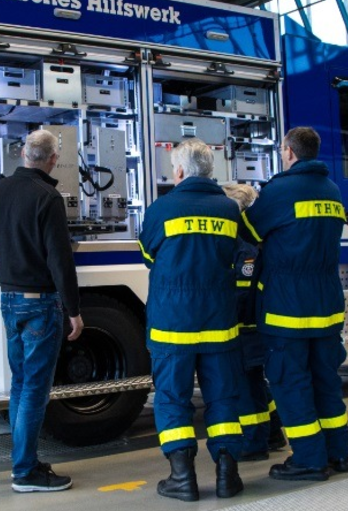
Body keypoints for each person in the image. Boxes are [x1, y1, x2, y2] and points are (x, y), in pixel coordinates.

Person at [138, 138, 244, 502]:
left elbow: (149, 257)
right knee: (223, 395)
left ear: (179, 171)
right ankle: (228, 475)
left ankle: (182, 478)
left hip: (172, 323)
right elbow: (239, 256)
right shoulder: (231, 210)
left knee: (172, 397)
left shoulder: (160, 209)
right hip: (219, 320)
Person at [243, 126, 348, 481]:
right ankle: (338, 454)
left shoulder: (279, 191)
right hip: (327, 306)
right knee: (326, 381)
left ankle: (308, 459)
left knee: (291, 383)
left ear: (288, 151)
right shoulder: (332, 191)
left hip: (288, 311)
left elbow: (248, 232)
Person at [0, 128, 84, 493]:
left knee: (21, 385)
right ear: (52, 159)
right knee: (34, 391)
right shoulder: (48, 196)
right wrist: (74, 310)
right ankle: (25, 471)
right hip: (40, 303)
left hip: (9, 299)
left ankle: (23, 462)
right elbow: (60, 260)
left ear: (24, 154)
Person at [222, 184, 286, 462]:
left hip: (245, 329)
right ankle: (272, 431)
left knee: (245, 386)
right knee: (256, 383)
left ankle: (253, 442)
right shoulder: (252, 240)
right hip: (254, 327)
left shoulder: (244, 245)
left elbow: (242, 291)